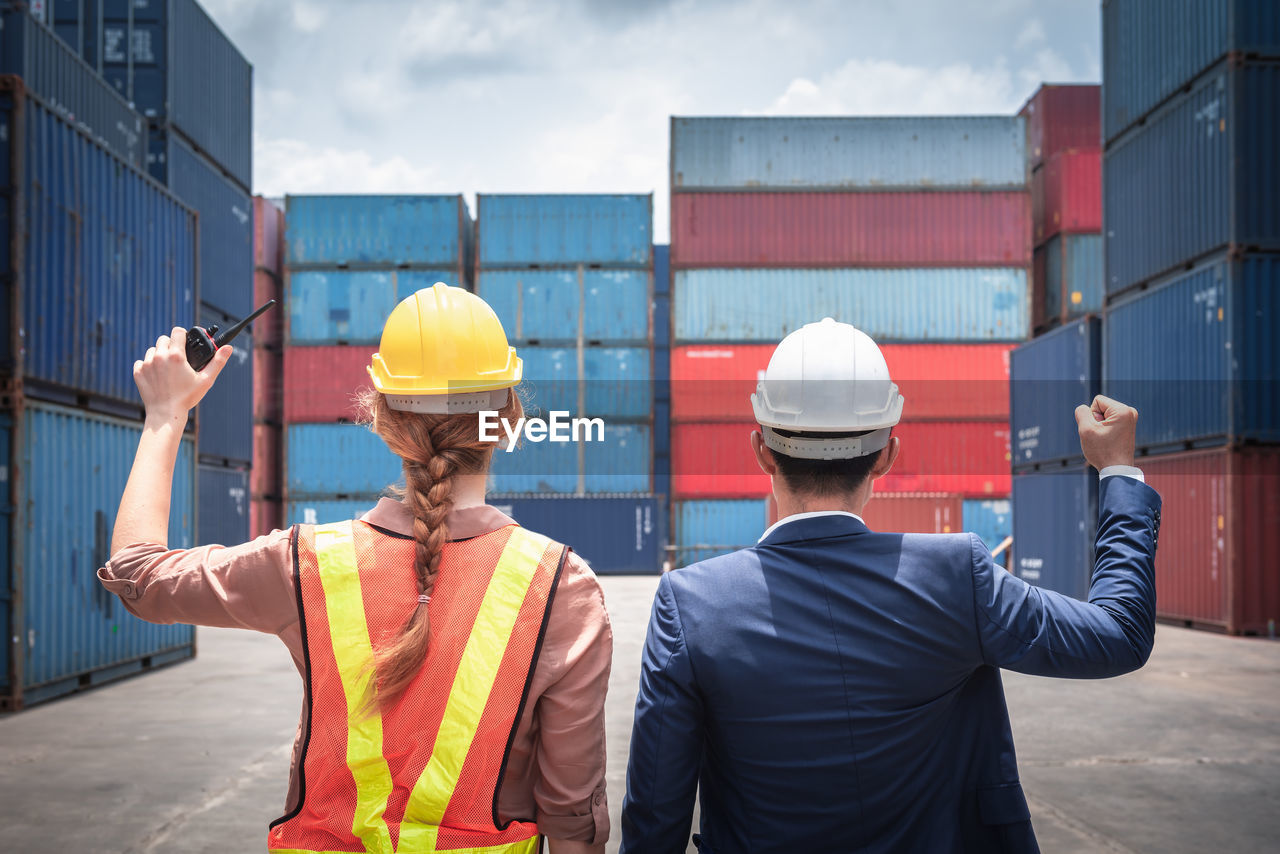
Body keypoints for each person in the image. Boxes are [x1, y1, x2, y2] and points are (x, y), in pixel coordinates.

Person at [99, 284, 612, 854]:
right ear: (509, 419)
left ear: (382, 417)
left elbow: (138, 576)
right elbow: (573, 817)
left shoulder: (305, 563)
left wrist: (166, 416)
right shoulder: (560, 585)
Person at [620, 317, 1160, 854]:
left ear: (761, 450)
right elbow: (1119, 634)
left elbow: (653, 823)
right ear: (886, 456)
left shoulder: (692, 604)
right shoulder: (956, 576)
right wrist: (1117, 473)